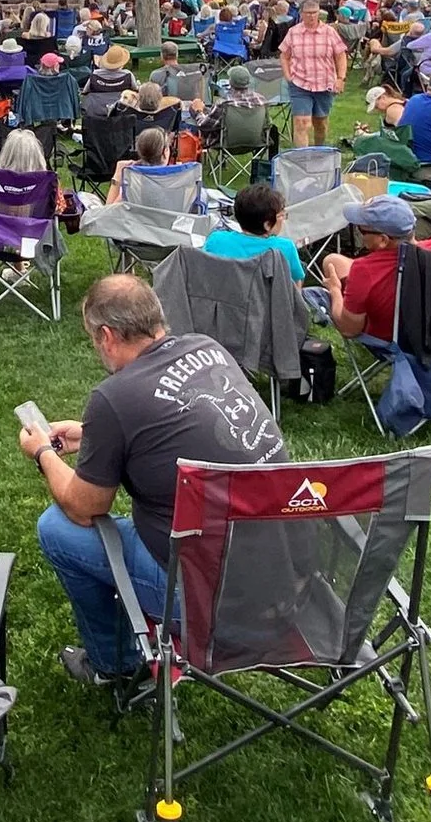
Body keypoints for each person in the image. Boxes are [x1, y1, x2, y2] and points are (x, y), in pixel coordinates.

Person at [22, 276, 286, 686]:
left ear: (107, 335)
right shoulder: (208, 347)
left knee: (56, 528)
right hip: (286, 579)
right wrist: (94, 434)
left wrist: (43, 452)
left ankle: (114, 663)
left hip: (211, 604)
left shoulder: (114, 397)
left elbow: (85, 507)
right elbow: (180, 425)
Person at [318, 195, 418, 347]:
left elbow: (349, 330)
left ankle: (352, 300)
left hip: (393, 342)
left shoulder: (365, 270)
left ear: (383, 240)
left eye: (361, 230)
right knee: (333, 261)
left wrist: (335, 290)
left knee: (332, 265)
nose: (359, 233)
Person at [279, 0, 348, 149]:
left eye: (315, 13)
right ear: (301, 14)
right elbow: (284, 55)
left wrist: (340, 78)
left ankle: (319, 151)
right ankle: (302, 159)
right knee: (301, 123)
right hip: (300, 83)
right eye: (308, 13)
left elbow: (340, 55)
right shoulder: (293, 32)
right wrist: (288, 75)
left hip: (324, 84)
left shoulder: (329, 32)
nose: (311, 16)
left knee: (320, 123)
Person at [202, 180, 304, 279]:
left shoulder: (216, 240)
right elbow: (295, 287)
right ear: (267, 225)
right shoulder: (285, 247)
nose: (283, 219)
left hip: (223, 295)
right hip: (269, 296)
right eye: (281, 215)